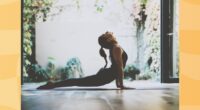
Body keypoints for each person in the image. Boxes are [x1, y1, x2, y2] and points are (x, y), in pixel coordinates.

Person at [37, 31, 129, 89]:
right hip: (104, 77)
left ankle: (53, 84)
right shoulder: (116, 48)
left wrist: (118, 84)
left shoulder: (115, 47)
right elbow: (119, 68)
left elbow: (118, 68)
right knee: (77, 81)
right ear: (109, 39)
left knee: (77, 81)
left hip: (106, 76)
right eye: (106, 34)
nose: (108, 32)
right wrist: (121, 84)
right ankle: (53, 85)